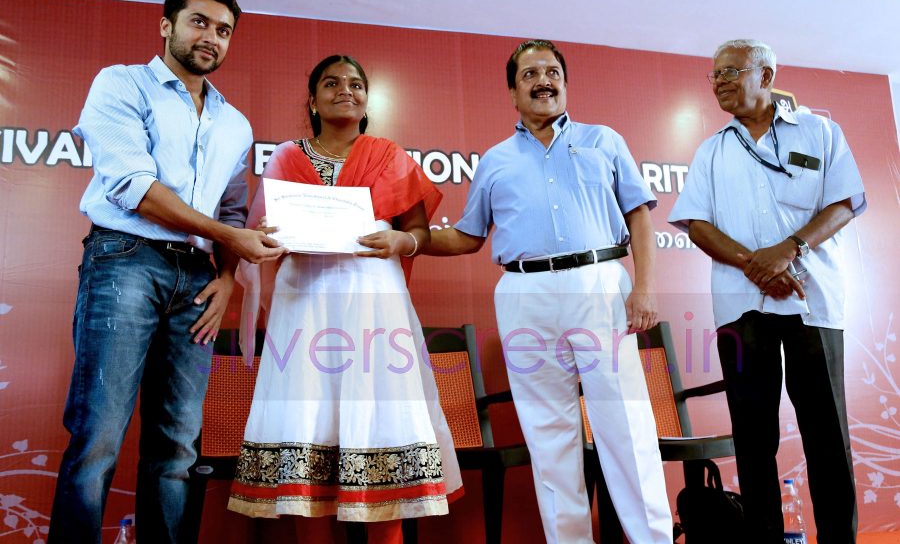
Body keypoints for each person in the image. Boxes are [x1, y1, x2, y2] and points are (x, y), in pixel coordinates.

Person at [48, 0, 285, 544]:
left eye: (223, 30)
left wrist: (228, 278)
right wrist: (226, 241)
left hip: (199, 282)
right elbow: (135, 187)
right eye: (199, 22)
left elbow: (231, 213)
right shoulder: (121, 83)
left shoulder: (236, 124)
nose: (211, 38)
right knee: (98, 438)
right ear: (167, 25)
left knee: (177, 445)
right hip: (124, 260)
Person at [421, 40, 671, 543]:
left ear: (565, 83)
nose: (544, 80)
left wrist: (644, 287)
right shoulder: (495, 160)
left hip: (599, 282)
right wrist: (407, 239)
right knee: (548, 433)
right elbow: (469, 236)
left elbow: (639, 216)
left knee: (626, 426)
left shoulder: (605, 140)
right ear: (513, 92)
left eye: (552, 71)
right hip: (523, 292)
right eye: (530, 73)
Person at [227, 55, 462, 543]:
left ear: (366, 100)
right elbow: (261, 236)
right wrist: (268, 235)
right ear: (312, 100)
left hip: (374, 300)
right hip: (306, 301)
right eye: (331, 83)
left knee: (380, 419)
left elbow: (416, 230)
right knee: (307, 419)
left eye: (356, 84)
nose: (345, 90)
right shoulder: (288, 157)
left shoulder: (389, 155)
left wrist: (404, 242)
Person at [669, 38, 864, 543]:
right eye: (714, 75)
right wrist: (757, 266)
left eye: (731, 71)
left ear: (767, 75)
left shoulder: (820, 132)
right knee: (753, 440)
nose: (720, 82)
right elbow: (696, 224)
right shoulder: (711, 150)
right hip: (740, 307)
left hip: (812, 301)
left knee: (827, 436)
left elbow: (844, 203)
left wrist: (790, 249)